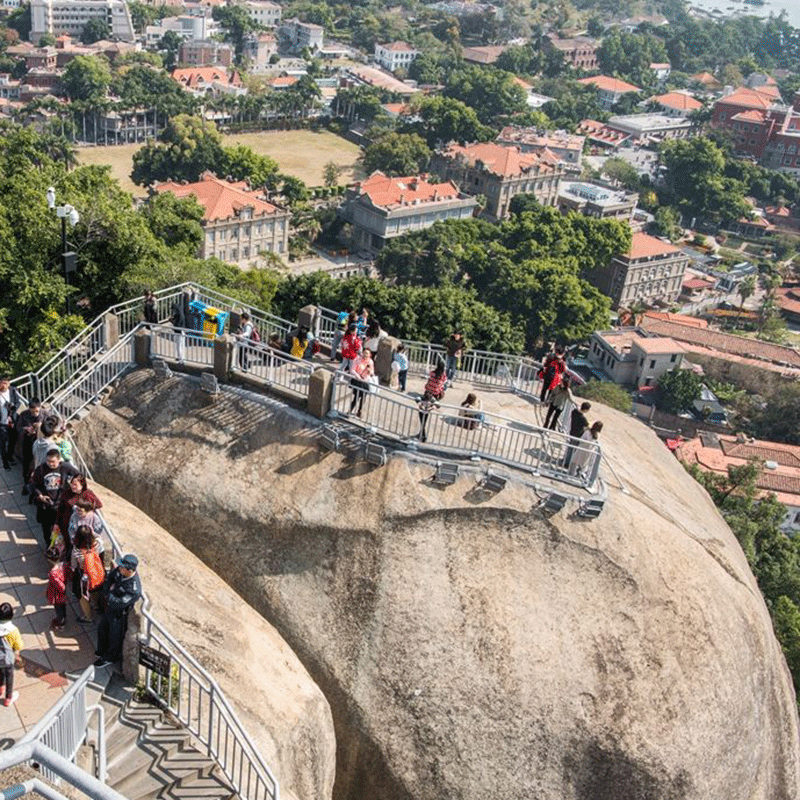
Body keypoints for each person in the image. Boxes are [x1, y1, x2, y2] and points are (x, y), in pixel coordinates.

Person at [95, 554, 142, 668]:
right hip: (109, 609)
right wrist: (107, 591)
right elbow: (110, 579)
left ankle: (109, 658)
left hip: (119, 614)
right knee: (102, 629)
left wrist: (109, 595)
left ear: (129, 571)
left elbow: (118, 603)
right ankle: (101, 651)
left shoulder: (133, 589)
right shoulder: (119, 571)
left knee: (114, 637)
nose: (119, 568)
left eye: (122, 567)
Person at [31, 448, 79, 543]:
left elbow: (78, 475)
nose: (50, 463)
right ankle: (49, 546)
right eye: (48, 461)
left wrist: (74, 487)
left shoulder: (65, 467)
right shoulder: (40, 469)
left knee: (62, 528)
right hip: (46, 506)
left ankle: (59, 547)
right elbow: (34, 485)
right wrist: (40, 495)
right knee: (46, 529)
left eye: (53, 461)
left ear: (59, 459)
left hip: (60, 505)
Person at [71, 525, 106, 624]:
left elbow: (74, 564)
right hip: (97, 573)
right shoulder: (98, 544)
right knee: (95, 590)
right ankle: (96, 606)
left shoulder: (77, 549)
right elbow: (98, 537)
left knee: (83, 597)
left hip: (84, 575)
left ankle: (88, 617)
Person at [56, 473, 102, 540]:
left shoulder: (87, 493)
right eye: (72, 483)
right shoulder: (67, 493)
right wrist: (56, 523)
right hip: (67, 525)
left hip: (81, 527)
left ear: (82, 485)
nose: (72, 486)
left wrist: (87, 509)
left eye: (75, 485)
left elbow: (98, 504)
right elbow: (60, 509)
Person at [16, 398, 41, 491]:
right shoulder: (24, 414)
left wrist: (40, 425)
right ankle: (26, 483)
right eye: (32, 410)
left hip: (40, 441)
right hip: (28, 441)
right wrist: (26, 429)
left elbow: (51, 424)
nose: (35, 412)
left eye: (37, 410)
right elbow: (18, 427)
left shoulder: (45, 414)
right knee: (26, 462)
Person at [0, 603, 23, 706]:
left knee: (0, 672)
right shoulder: (13, 630)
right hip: (8, 660)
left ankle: (0, 687)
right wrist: (17, 656)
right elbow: (18, 645)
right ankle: (8, 698)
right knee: (9, 676)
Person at [0, 376, 21, 471]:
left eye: (5, 383)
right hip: (1, 421)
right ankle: (5, 462)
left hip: (12, 420)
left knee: (13, 440)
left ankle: (9, 456)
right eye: (2, 383)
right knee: (2, 443)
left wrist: (13, 407)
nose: (3, 385)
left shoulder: (13, 391)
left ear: (8, 383)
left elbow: (18, 402)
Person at [564, 402, 591, 469]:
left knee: (570, 448)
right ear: (585, 410)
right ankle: (567, 463)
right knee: (573, 450)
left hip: (572, 432)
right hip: (577, 435)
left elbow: (577, 409)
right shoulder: (582, 418)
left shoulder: (574, 412)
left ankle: (565, 460)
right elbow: (588, 426)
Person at [348, 349, 374, 418]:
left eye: (367, 354)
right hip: (358, 380)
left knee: (363, 397)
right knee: (356, 396)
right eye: (365, 353)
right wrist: (358, 376)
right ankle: (351, 410)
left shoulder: (370, 362)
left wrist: (370, 372)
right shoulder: (357, 359)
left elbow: (372, 372)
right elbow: (352, 370)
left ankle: (359, 411)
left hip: (365, 381)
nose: (366, 355)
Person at [46, 559, 69, 630]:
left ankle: (60, 623)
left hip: (56, 594)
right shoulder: (63, 566)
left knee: (58, 608)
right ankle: (63, 617)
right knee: (63, 605)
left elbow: (59, 585)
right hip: (62, 593)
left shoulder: (53, 573)